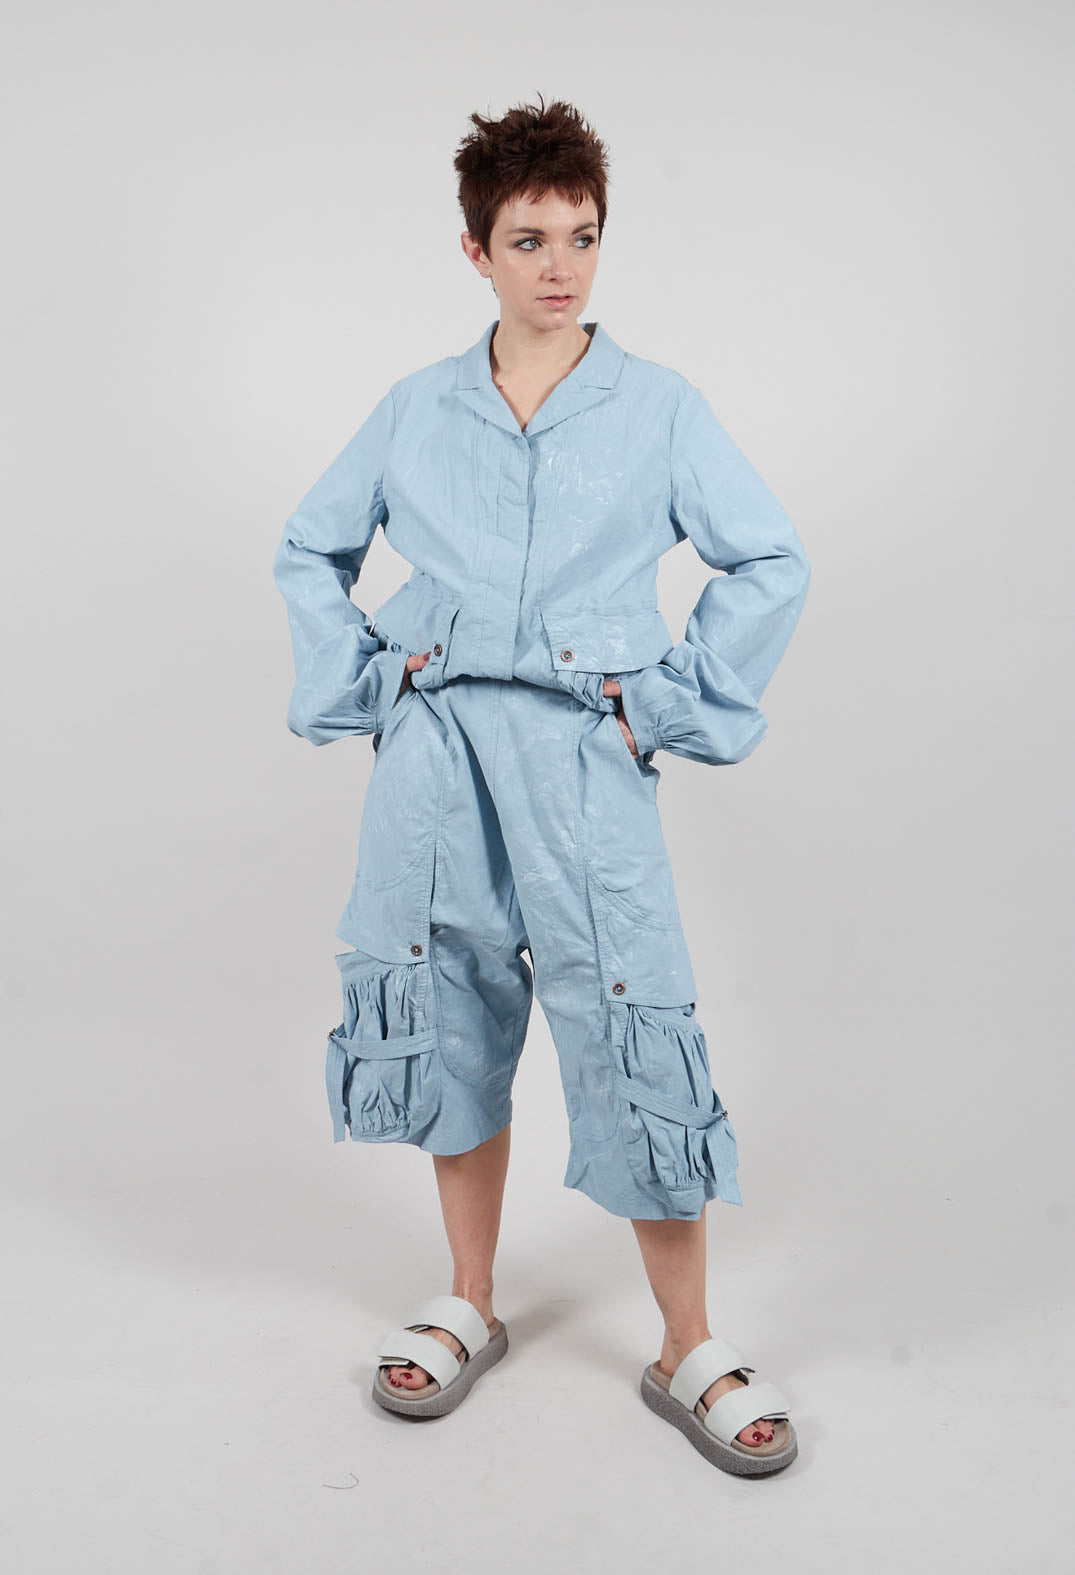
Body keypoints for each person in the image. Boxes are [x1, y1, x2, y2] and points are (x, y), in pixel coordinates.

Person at [272, 95, 810, 1475]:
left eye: (581, 235)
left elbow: (769, 559)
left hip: (584, 754)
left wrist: (666, 699)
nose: (560, 265)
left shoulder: (659, 408)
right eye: (529, 239)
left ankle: (688, 1342)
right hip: (438, 755)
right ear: (477, 251)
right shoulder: (415, 408)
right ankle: (470, 1298)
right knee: (449, 1001)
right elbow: (309, 550)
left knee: (633, 1008)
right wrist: (373, 681)